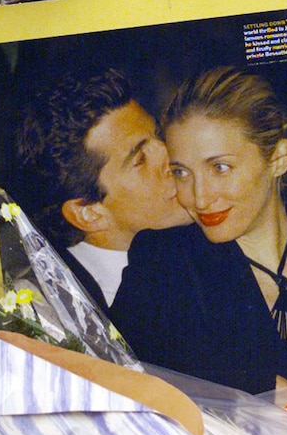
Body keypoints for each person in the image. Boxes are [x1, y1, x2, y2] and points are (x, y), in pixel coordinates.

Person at [109, 66, 287, 394]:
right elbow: (111, 373)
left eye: (220, 167)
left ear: (278, 159)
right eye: (181, 172)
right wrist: (254, 387)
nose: (199, 197)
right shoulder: (166, 266)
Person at [15, 68, 190, 315]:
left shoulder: (208, 239)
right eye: (140, 159)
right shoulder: (47, 307)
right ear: (89, 213)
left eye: (159, 135)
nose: (170, 156)